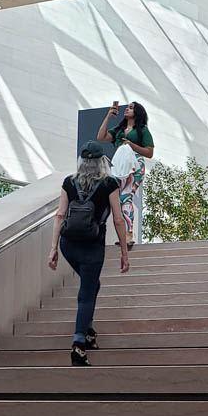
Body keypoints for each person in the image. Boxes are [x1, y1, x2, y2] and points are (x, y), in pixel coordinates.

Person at [48, 141, 129, 366]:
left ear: (81, 161)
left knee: (92, 285)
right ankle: (78, 345)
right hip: (93, 246)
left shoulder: (69, 182)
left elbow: (60, 215)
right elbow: (118, 219)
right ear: (102, 161)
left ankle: (89, 331)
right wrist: (124, 252)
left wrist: (53, 248)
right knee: (86, 292)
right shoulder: (109, 183)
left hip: (69, 245)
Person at [97, 100, 154, 249]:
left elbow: (149, 152)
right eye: (127, 107)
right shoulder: (119, 129)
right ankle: (124, 234)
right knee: (116, 198)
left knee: (125, 197)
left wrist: (131, 145)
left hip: (135, 164)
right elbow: (101, 137)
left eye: (131, 108)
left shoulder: (142, 130)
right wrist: (108, 116)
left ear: (137, 112)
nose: (127, 109)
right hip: (120, 164)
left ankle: (128, 234)